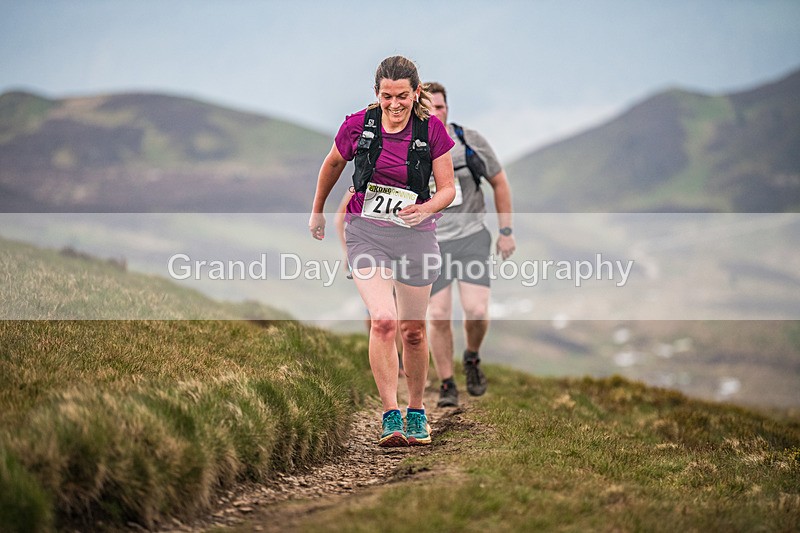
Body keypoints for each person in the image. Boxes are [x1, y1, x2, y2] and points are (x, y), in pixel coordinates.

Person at [309, 56, 455, 447]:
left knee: (412, 330)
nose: (394, 104)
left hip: (416, 235)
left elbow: (447, 189)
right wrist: (318, 211)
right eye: (387, 96)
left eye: (402, 96)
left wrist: (424, 208)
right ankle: (391, 413)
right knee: (384, 320)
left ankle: (417, 411)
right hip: (366, 233)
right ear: (377, 94)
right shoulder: (358, 125)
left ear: (416, 93)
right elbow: (334, 163)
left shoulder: (432, 130)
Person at [425, 81, 516, 408]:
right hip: (431, 243)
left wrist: (506, 230)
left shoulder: (468, 141)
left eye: (441, 107)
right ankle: (447, 383)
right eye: (429, 107)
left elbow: (499, 181)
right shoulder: (413, 146)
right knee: (438, 315)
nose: (435, 112)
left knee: (476, 311)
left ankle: (472, 358)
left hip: (472, 236)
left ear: (447, 108)